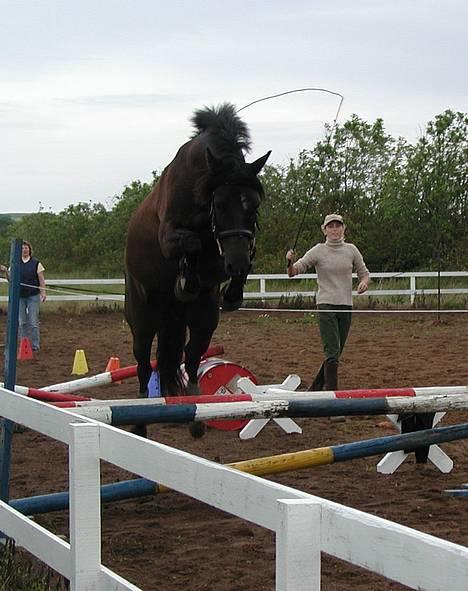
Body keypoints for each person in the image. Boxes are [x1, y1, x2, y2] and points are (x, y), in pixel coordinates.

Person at [286, 214, 369, 391]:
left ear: (343, 228)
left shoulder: (351, 250)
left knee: (336, 352)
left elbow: (364, 273)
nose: (334, 229)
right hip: (326, 305)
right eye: (330, 226)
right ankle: (332, 397)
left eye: (337, 226)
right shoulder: (318, 250)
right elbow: (294, 272)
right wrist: (289, 262)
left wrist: (363, 283)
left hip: (346, 306)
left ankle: (315, 389)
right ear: (324, 230)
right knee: (332, 352)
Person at [0, 240, 47, 352]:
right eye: (22, 248)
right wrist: (6, 271)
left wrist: (43, 293)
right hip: (20, 296)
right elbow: (11, 280)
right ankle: (24, 345)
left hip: (33, 295)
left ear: (29, 250)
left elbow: (41, 280)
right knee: (22, 322)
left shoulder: (36, 263)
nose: (24, 250)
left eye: (26, 248)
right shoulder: (15, 263)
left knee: (33, 322)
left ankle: (35, 346)